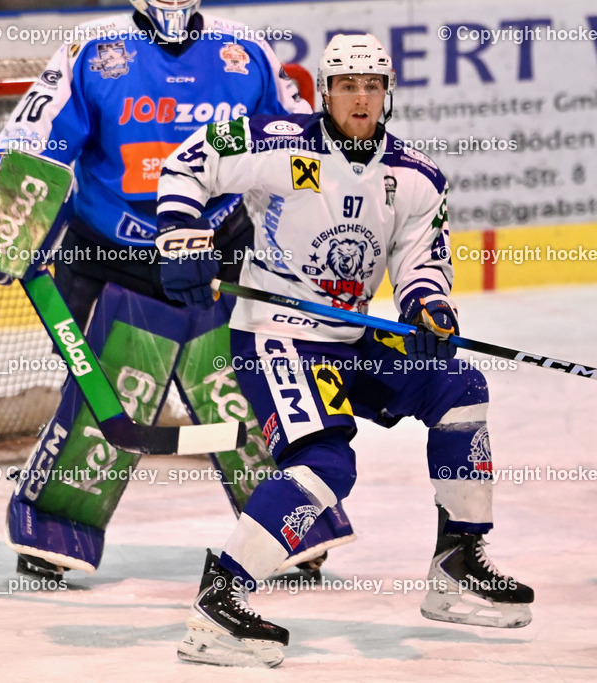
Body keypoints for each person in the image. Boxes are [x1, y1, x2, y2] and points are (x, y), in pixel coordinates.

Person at [156, 32, 534, 668]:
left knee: (459, 387)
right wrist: (180, 231)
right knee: (328, 464)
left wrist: (428, 308)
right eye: (347, 86)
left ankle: (457, 560)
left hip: (348, 336)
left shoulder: (416, 177)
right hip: (275, 334)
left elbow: (422, 263)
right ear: (325, 91)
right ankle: (219, 602)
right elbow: (186, 163)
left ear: (387, 93)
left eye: (372, 86)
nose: (360, 98)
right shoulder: (272, 137)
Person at [0, 0, 356, 582]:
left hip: (223, 254)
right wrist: (14, 214)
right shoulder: (94, 48)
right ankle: (57, 522)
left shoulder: (246, 51)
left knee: (248, 390)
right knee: (112, 395)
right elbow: (34, 139)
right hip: (110, 258)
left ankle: (285, 522)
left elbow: (304, 145)